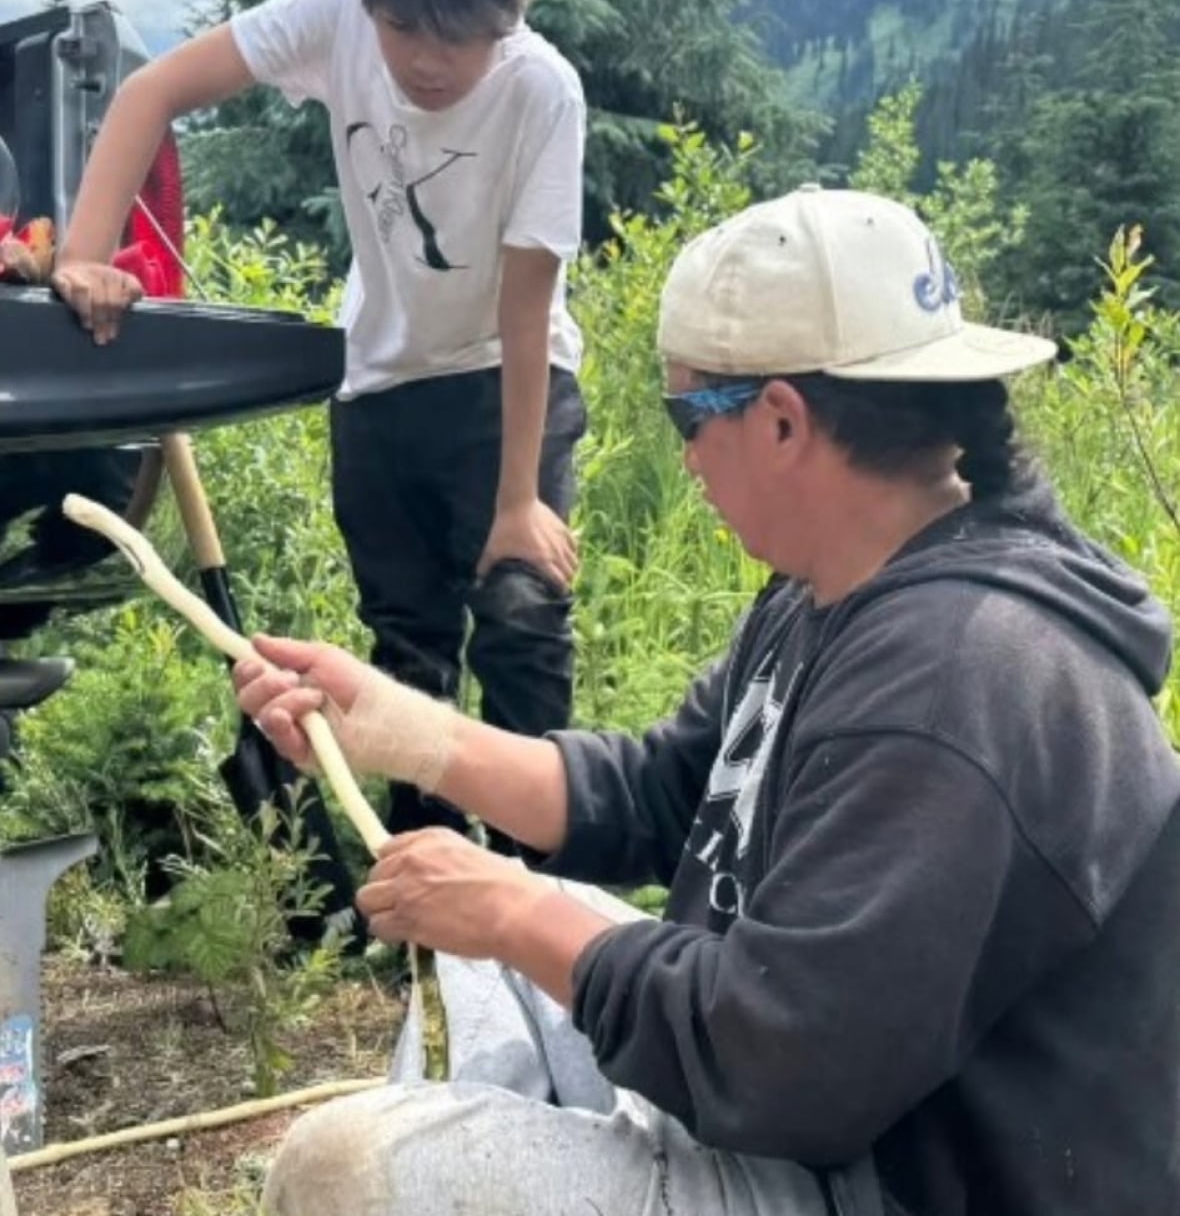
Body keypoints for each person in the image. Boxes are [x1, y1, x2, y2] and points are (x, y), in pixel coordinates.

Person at [234, 184, 1180, 1216]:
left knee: (349, 1169)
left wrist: (515, 909)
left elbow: (787, 1058)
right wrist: (404, 730)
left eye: (689, 414)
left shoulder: (965, 678)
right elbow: (666, 791)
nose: (685, 457)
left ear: (780, 418)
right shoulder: (840, 581)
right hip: (799, 1097)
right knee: (481, 961)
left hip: (890, 1174)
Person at [50, 0, 588, 840]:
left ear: (513, 11)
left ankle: (535, 893)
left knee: (518, 615)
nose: (426, 59)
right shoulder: (338, 11)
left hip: (507, 382)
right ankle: (433, 896)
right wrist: (84, 255)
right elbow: (152, 89)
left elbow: (525, 299)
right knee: (407, 640)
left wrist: (518, 499)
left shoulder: (542, 91)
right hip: (380, 380)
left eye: (458, 38)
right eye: (402, 30)